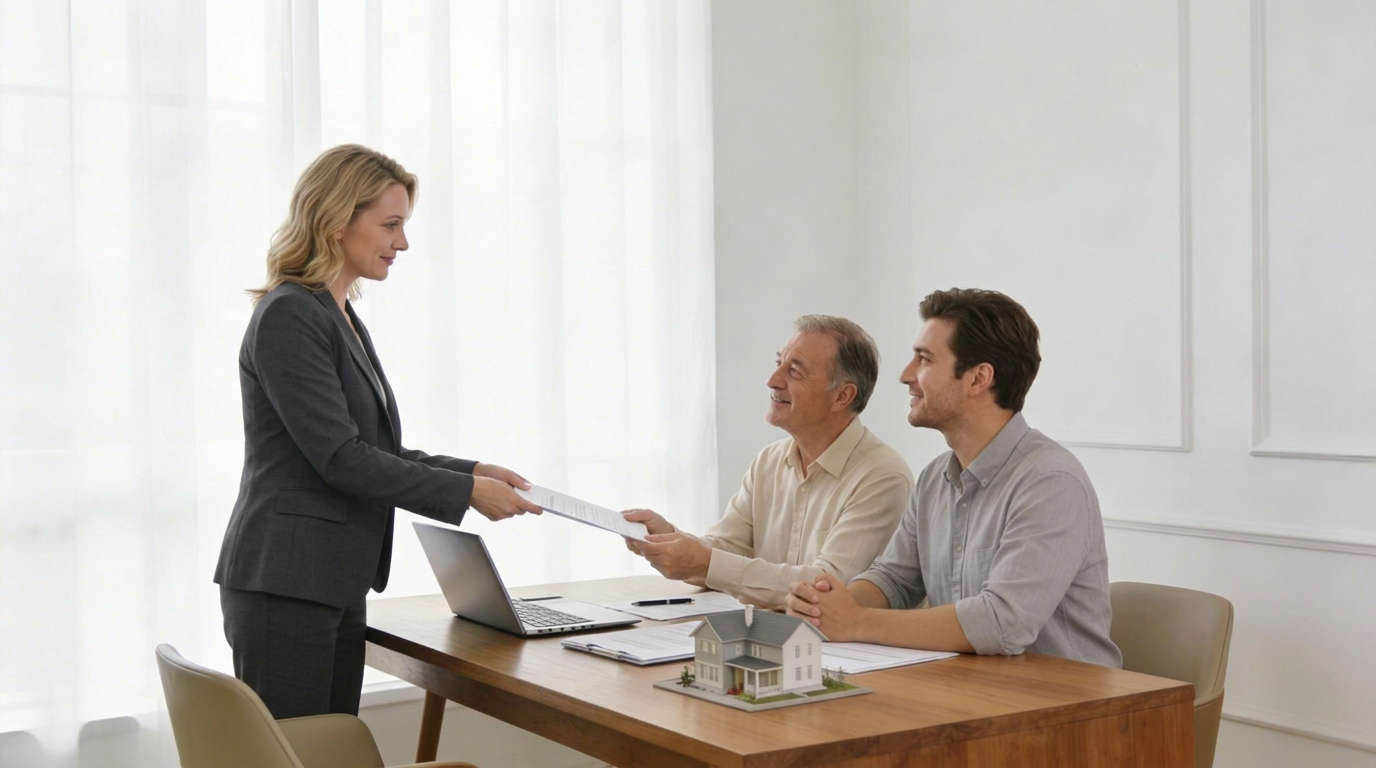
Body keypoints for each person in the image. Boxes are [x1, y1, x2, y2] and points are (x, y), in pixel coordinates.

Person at [214, 144, 542, 719]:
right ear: (338, 221)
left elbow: (376, 451)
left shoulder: (336, 315)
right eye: (390, 225)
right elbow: (341, 459)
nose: (403, 243)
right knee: (299, 756)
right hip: (287, 582)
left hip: (331, 579)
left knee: (329, 753)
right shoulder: (290, 315)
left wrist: (470, 471)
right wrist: (464, 494)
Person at [786, 288, 1122, 667]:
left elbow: (1002, 623)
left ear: (979, 378)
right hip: (971, 692)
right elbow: (894, 580)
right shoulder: (934, 479)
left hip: (1069, 709)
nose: (905, 375)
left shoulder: (1050, 482)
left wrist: (856, 621)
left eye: (924, 359)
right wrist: (826, 605)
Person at [622, 315, 912, 609]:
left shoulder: (883, 476)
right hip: (773, 638)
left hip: (839, 651)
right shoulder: (769, 461)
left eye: (795, 371)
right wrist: (669, 540)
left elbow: (827, 589)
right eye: (779, 364)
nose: (773, 381)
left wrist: (705, 563)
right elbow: (727, 548)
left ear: (842, 396)